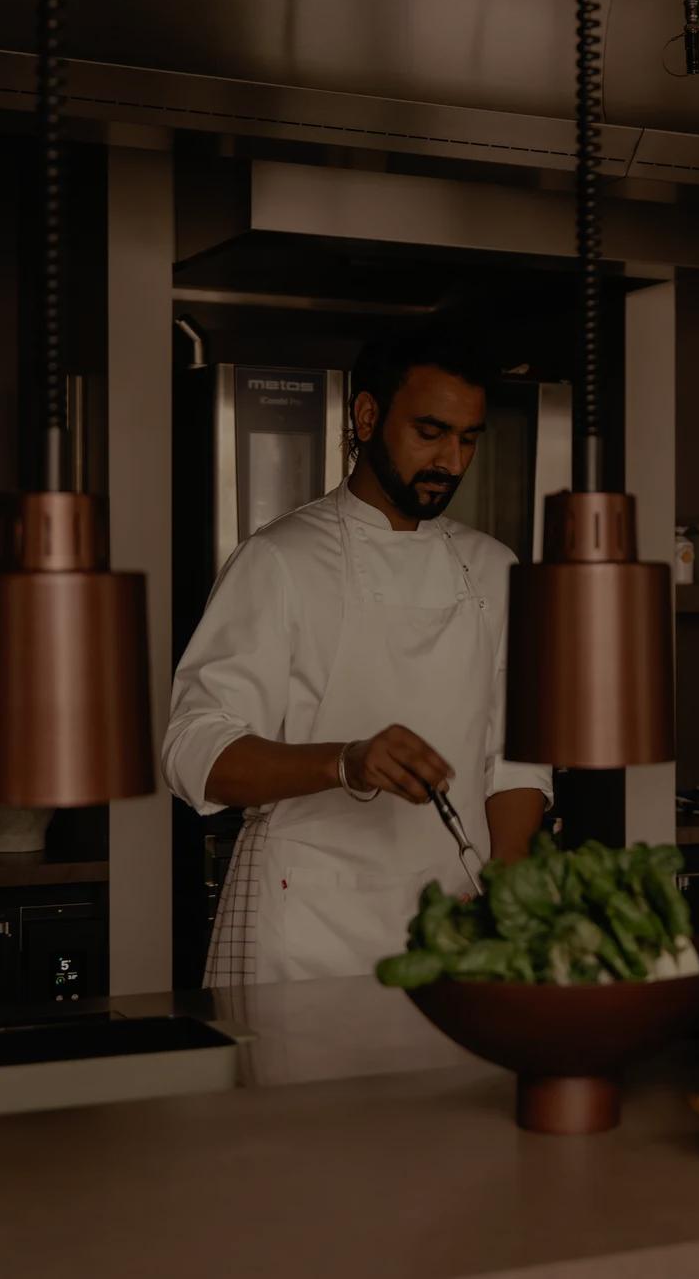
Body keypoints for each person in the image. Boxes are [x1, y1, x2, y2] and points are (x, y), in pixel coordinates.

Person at [163, 334, 552, 986]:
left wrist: (506, 876)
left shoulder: (494, 567)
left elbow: (515, 754)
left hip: (454, 923)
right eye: (431, 432)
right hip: (310, 923)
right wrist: (344, 761)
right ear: (367, 417)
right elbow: (192, 750)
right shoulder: (279, 560)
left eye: (468, 439)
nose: (451, 461)